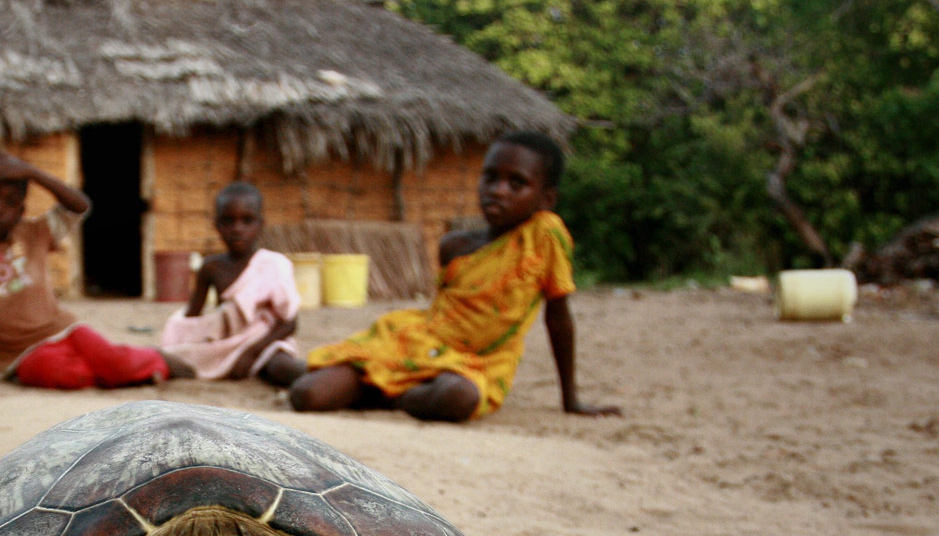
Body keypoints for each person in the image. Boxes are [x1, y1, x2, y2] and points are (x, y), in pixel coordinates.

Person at [287, 132, 619, 422]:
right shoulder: (454, 245)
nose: (498, 191)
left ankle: (387, 392)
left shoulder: (545, 235)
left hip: (478, 361)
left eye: (516, 183)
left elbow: (558, 316)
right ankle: (379, 383)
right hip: (417, 340)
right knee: (307, 395)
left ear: (547, 198)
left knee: (457, 398)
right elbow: (446, 311)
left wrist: (571, 399)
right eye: (490, 177)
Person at [0, 152, 182, 389]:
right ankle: (123, 372)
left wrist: (33, 173)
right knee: (65, 374)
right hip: (18, 355)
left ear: (21, 211)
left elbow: (80, 206)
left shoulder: (34, 232)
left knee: (111, 359)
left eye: (10, 203)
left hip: (64, 329)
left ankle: (156, 360)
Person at [158, 183, 303, 384]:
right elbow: (192, 318)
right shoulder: (211, 267)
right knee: (167, 359)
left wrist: (251, 353)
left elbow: (290, 323)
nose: (237, 229)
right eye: (228, 221)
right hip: (225, 344)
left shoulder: (274, 264)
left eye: (247, 220)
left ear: (261, 223)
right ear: (216, 225)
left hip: (265, 343)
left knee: (282, 368)